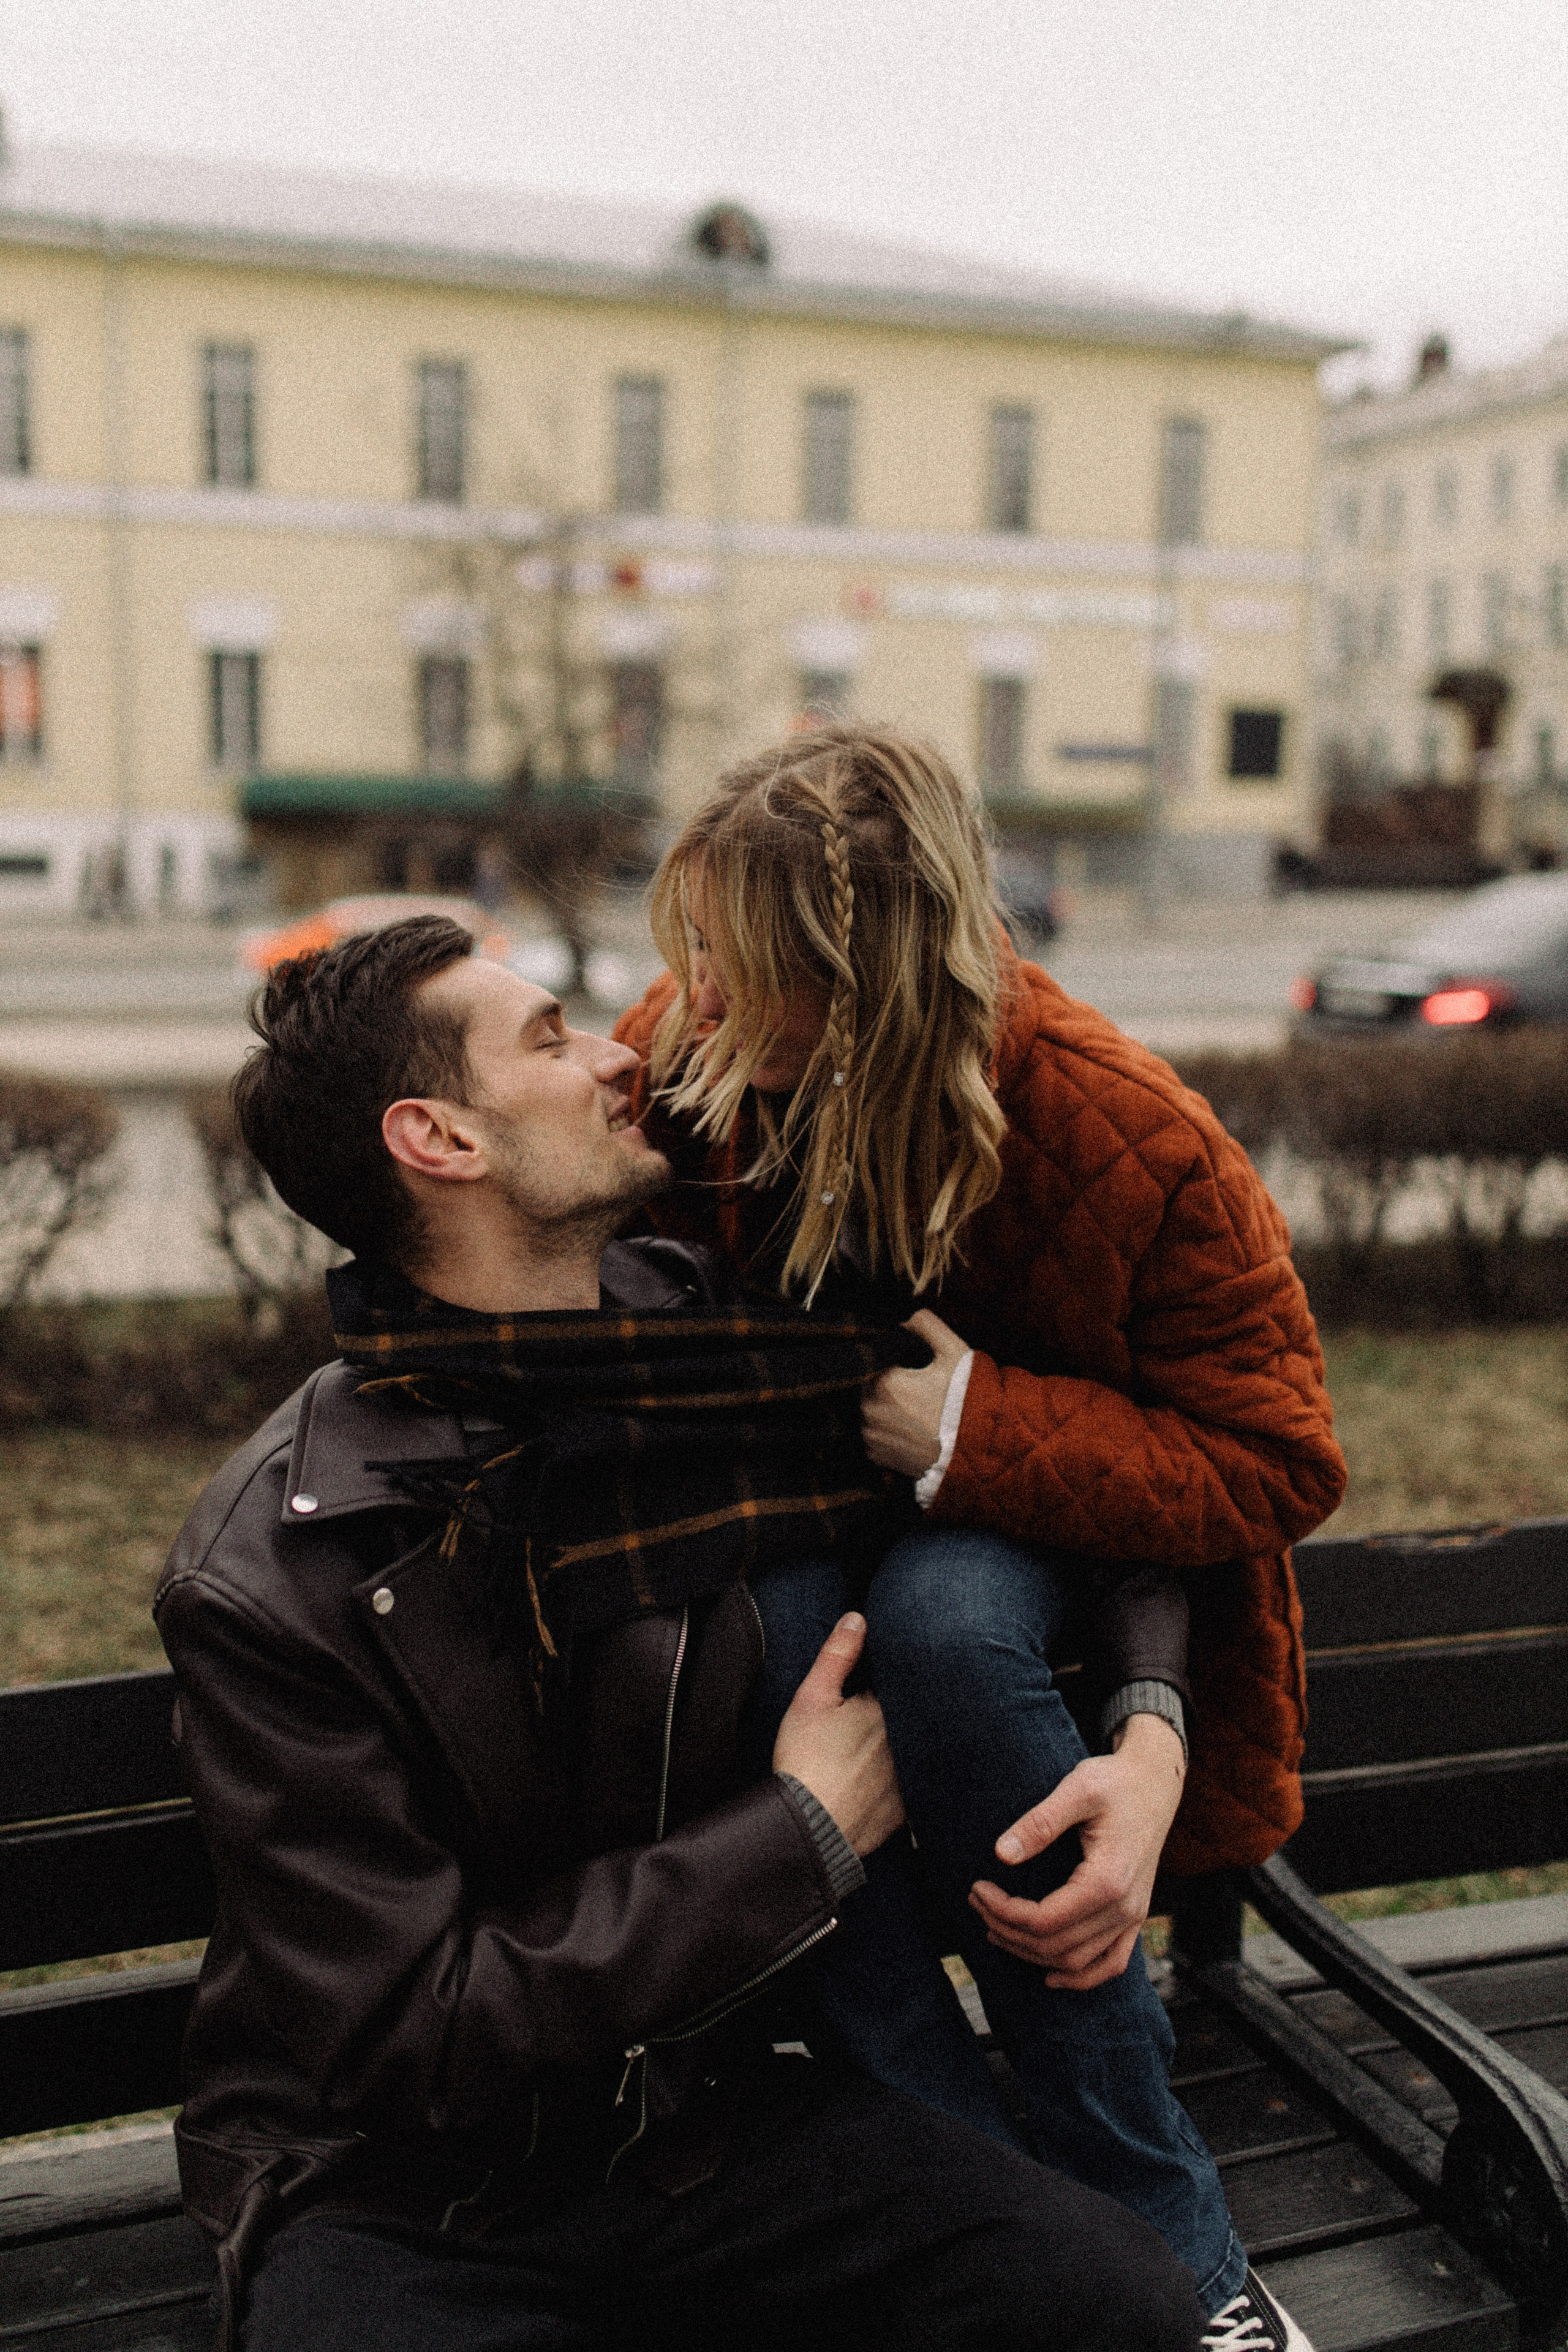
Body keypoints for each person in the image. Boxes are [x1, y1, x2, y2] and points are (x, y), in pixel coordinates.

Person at [156, 914, 1207, 2352]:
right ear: (439, 1139)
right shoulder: (280, 1570)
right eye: (547, 1039)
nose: (615, 1059)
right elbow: (420, 2032)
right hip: (403, 2197)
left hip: (713, 2120)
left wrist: (1149, 1732)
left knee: (1111, 2308)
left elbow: (1066, 1463)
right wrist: (802, 1832)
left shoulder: (707, 1342)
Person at [613, 725, 1349, 2352]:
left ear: (879, 977)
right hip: (802, 1543)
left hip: (1051, 1568)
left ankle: (1190, 2267)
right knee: (787, 1641)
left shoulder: (1113, 1124)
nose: (703, 1004)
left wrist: (974, 1433)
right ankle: (1002, 2238)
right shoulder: (698, 1062)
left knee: (943, 1616)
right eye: (701, 958)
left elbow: (1277, 1456)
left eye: (756, 972)